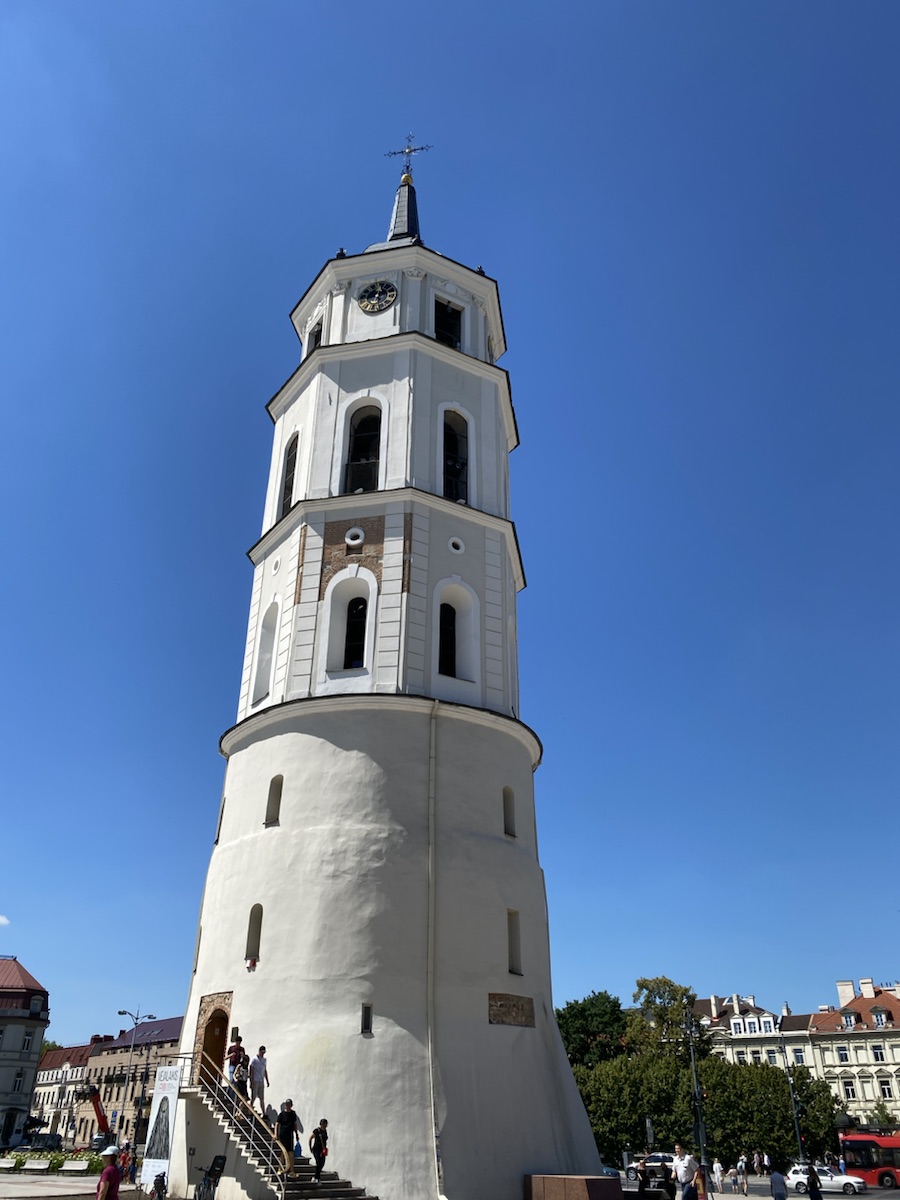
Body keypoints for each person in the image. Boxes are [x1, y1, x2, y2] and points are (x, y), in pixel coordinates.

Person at [276, 1100, 299, 1177]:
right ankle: (280, 1168)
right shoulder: (282, 1114)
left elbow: (294, 1124)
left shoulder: (293, 1113)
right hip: (283, 1135)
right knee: (283, 1153)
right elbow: (277, 1124)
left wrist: (296, 1134)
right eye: (287, 1104)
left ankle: (291, 1170)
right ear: (285, 1105)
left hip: (290, 1135)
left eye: (290, 1104)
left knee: (291, 1153)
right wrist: (276, 1134)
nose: (288, 1106)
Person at [249, 1046, 269, 1116]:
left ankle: (264, 1113)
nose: (263, 1054)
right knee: (253, 1097)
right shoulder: (254, 1060)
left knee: (261, 1098)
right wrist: (251, 1082)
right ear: (259, 1051)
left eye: (264, 1052)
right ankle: (250, 1110)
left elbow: (265, 1070)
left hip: (261, 1080)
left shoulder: (264, 1060)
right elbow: (251, 1071)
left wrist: (267, 1080)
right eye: (262, 1052)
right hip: (255, 1080)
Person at [309, 1118, 328, 1184]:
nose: (325, 1126)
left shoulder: (325, 1131)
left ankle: (316, 1177)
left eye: (326, 1124)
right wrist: (310, 1147)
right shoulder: (317, 1131)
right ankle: (317, 1178)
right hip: (316, 1149)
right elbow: (310, 1138)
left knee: (322, 1163)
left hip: (323, 1150)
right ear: (321, 1124)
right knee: (318, 1162)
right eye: (324, 1124)